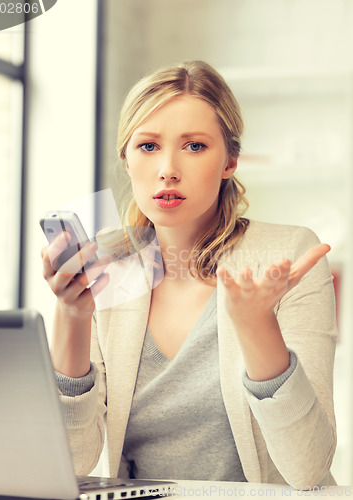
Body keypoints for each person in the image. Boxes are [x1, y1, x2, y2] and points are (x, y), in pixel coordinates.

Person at [41, 61, 337, 488]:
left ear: (230, 160)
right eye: (147, 146)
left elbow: (307, 469)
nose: (168, 169)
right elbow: (72, 463)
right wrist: (71, 313)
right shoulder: (108, 260)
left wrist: (257, 327)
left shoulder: (287, 254)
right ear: (126, 159)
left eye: (195, 146)